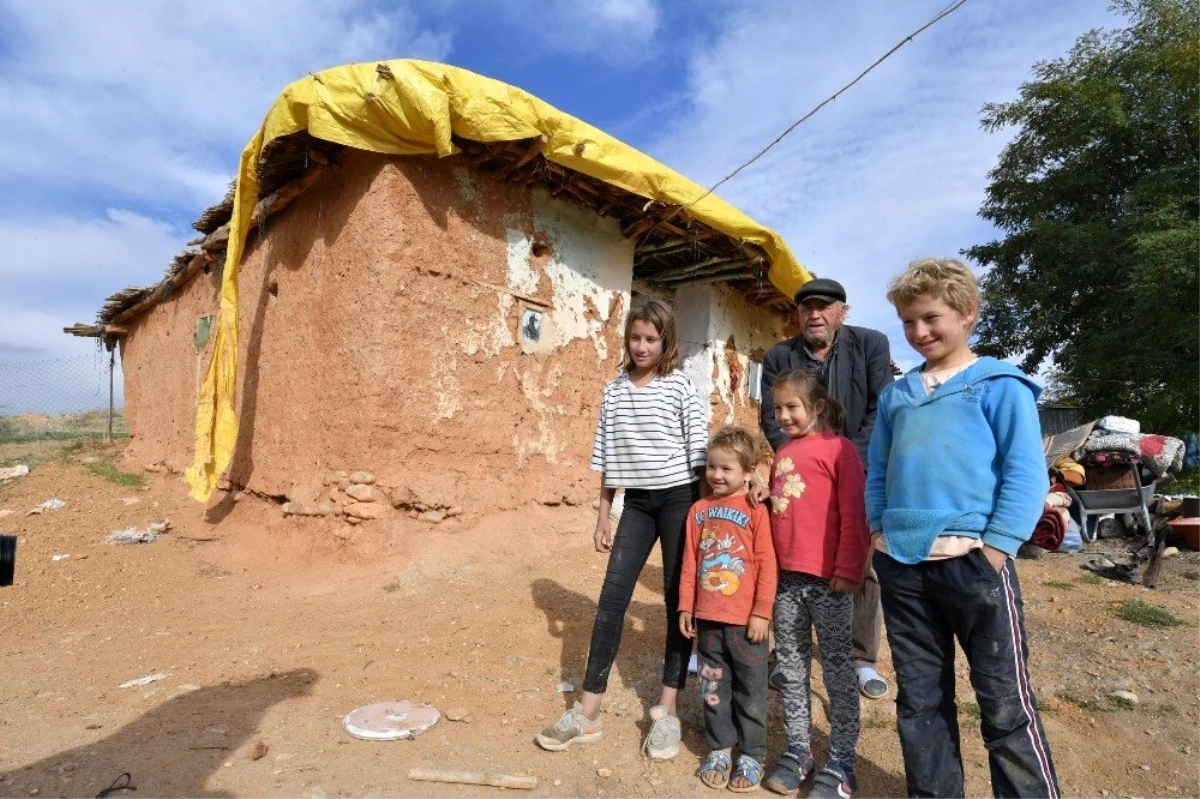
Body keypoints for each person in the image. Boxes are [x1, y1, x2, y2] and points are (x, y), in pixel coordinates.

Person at [867, 258, 1060, 798]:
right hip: (904, 566)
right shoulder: (898, 395)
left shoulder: (1000, 384)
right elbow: (879, 472)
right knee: (920, 702)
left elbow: (1025, 474)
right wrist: (877, 533)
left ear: (967, 312)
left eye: (931, 317)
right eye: (907, 321)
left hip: (975, 566)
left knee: (1003, 703)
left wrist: (997, 548)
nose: (919, 331)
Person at [536, 299, 709, 760]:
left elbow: (699, 451)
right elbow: (608, 456)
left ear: (665, 341)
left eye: (651, 339)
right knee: (612, 598)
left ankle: (666, 710)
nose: (642, 347)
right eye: (635, 338)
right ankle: (587, 712)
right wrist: (602, 514)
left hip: (679, 499)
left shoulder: (680, 388)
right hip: (637, 505)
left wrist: (705, 512)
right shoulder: (614, 390)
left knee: (677, 599)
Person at [759, 277, 893, 700]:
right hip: (799, 475)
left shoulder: (870, 344)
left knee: (862, 560)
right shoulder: (781, 355)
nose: (814, 314)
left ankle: (860, 658)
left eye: (824, 306)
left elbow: (880, 408)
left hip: (858, 464)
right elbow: (771, 417)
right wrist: (802, 459)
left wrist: (843, 459)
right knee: (792, 557)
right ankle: (788, 653)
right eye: (806, 308)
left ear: (842, 311)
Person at [762, 369, 870, 798]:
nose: (783, 415)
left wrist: (849, 569)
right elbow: (784, 506)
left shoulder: (839, 450)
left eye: (792, 407)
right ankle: (799, 751)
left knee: (839, 670)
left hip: (828, 582)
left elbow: (853, 515)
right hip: (787, 581)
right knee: (790, 667)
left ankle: (842, 761)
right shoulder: (783, 451)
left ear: (818, 408)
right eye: (777, 408)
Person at [679, 427, 777, 792]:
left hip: (745, 623)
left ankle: (751, 754)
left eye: (727, 469)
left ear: (749, 472)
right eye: (712, 467)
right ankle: (720, 748)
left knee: (751, 691)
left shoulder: (755, 509)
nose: (717, 475)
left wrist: (761, 612)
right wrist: (686, 606)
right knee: (713, 688)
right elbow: (690, 561)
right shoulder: (698, 511)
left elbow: (767, 564)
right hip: (707, 620)